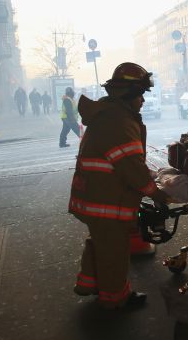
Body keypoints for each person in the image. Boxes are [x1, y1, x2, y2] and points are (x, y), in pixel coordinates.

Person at [69, 62, 170, 309]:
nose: (143, 101)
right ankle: (116, 299)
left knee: (100, 243)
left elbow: (123, 162)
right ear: (129, 94)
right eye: (141, 95)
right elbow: (130, 167)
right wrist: (156, 193)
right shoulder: (119, 121)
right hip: (107, 200)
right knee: (113, 251)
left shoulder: (107, 113)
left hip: (94, 196)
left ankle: (89, 283)